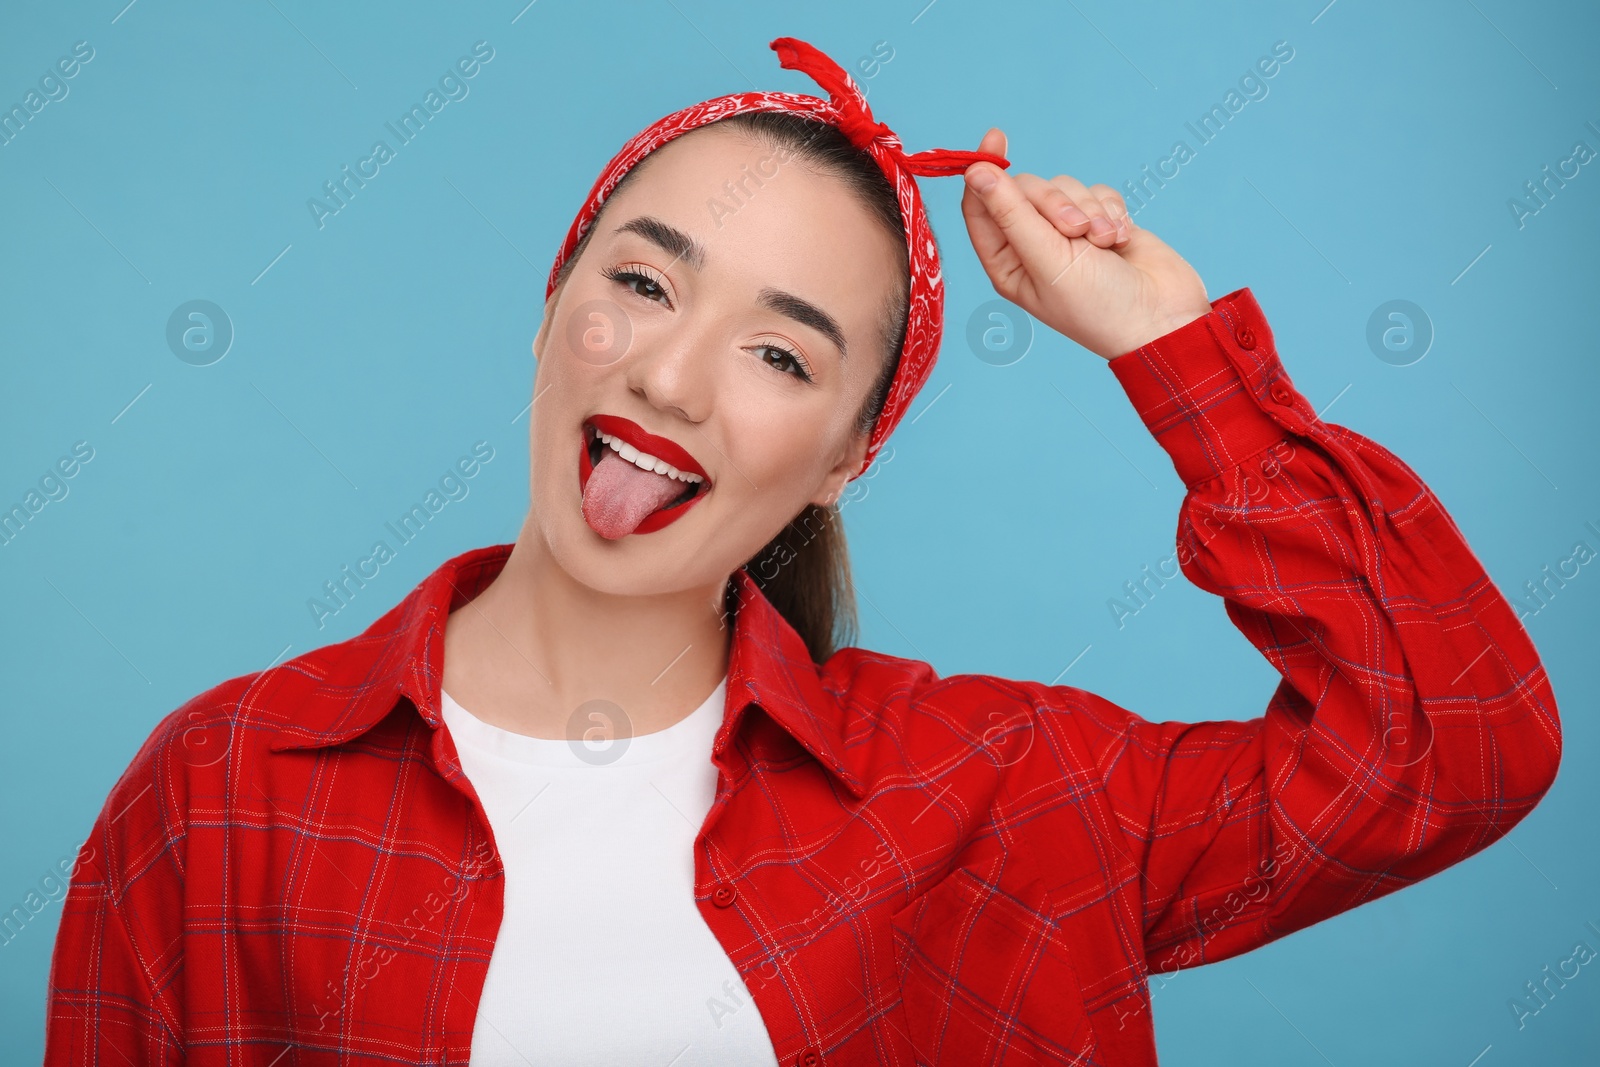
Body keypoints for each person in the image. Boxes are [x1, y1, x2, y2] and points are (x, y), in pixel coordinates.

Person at [45, 35, 1560, 1067]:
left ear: (847, 457)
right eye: (643, 283)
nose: (672, 379)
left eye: (782, 357)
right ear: (552, 305)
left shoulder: (1000, 792)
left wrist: (1173, 354)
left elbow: (1451, 747)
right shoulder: (225, 788)